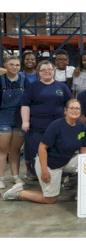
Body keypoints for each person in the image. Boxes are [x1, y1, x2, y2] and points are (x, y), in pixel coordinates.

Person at [3, 99, 86, 203]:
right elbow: (42, 148)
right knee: (50, 199)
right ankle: (18, 193)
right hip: (49, 163)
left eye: (77, 108)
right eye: (72, 108)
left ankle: (75, 186)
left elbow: (85, 148)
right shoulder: (56, 126)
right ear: (65, 111)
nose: (75, 110)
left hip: (66, 160)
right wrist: (44, 170)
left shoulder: (82, 127)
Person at [21, 60, 72, 180]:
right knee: (36, 152)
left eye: (49, 69)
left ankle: (58, 175)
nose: (47, 72)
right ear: (39, 72)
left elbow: (70, 104)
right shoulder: (32, 87)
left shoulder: (62, 86)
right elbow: (25, 105)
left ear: (53, 71)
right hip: (37, 127)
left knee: (57, 152)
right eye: (43, 70)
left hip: (58, 127)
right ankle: (38, 174)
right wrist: (25, 121)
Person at [0, 56, 30, 189]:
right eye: (11, 64)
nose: (15, 67)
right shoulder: (0, 80)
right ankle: (1, 178)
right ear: (5, 65)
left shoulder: (25, 80)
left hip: (20, 117)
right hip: (3, 117)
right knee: (3, 150)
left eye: (17, 65)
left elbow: (29, 99)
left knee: (15, 150)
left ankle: (15, 176)